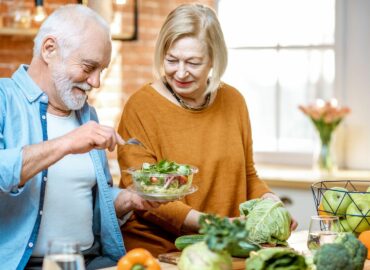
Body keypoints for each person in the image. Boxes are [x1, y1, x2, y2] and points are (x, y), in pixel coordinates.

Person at [117, 3, 298, 256]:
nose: (180, 72)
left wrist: (271, 203)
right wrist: (213, 224)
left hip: (224, 248)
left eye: (193, 62)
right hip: (160, 252)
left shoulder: (234, 101)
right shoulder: (141, 107)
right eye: (171, 60)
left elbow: (247, 174)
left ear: (214, 59)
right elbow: (144, 195)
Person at [0, 4, 161, 270]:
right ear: (49, 49)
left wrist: (129, 199)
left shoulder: (87, 115)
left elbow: (90, 199)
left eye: (102, 70)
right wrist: (66, 144)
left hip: (91, 262)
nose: (96, 82)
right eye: (89, 67)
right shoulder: (4, 99)